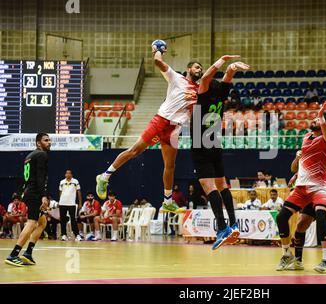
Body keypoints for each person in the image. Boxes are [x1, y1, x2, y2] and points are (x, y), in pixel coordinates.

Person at [95, 39, 234, 213]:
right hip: (161, 120)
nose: (200, 70)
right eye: (196, 67)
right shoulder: (176, 78)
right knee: (135, 151)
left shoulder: (200, 90)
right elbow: (158, 62)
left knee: (170, 166)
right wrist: (157, 49)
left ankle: (167, 200)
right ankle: (105, 176)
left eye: (201, 68)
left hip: (175, 129)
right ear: (189, 70)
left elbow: (213, 87)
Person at [190, 60, 249, 249]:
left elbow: (206, 78)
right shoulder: (221, 95)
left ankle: (222, 228)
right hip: (215, 141)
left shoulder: (204, 94)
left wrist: (222, 61)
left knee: (208, 186)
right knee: (222, 183)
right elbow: (227, 78)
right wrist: (232, 68)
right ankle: (233, 223)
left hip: (201, 142)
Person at [276, 101, 326, 273]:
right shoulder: (306, 138)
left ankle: (325, 259)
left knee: (321, 217)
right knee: (281, 217)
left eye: (318, 120)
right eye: (317, 119)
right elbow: (304, 162)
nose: (315, 120)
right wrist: (296, 174)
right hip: (301, 187)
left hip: (319, 187)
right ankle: (287, 254)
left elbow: (325, 129)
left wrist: (322, 114)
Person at [5, 133, 51, 267]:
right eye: (46, 140)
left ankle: (28, 253)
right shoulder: (42, 155)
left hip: (29, 191)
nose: (49, 142)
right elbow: (40, 177)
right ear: (38, 143)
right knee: (32, 223)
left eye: (49, 140)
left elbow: (28, 177)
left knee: (42, 222)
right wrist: (43, 196)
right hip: (35, 193)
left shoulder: (29, 156)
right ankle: (14, 254)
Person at [58, 169, 83, 241]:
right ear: (65, 175)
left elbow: (79, 192)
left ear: (72, 175)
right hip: (62, 203)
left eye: (69, 173)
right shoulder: (62, 182)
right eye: (66, 173)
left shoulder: (75, 181)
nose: (68, 174)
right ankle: (63, 235)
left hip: (72, 203)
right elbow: (60, 192)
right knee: (63, 219)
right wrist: (60, 202)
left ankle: (77, 235)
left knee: (73, 219)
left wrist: (80, 203)